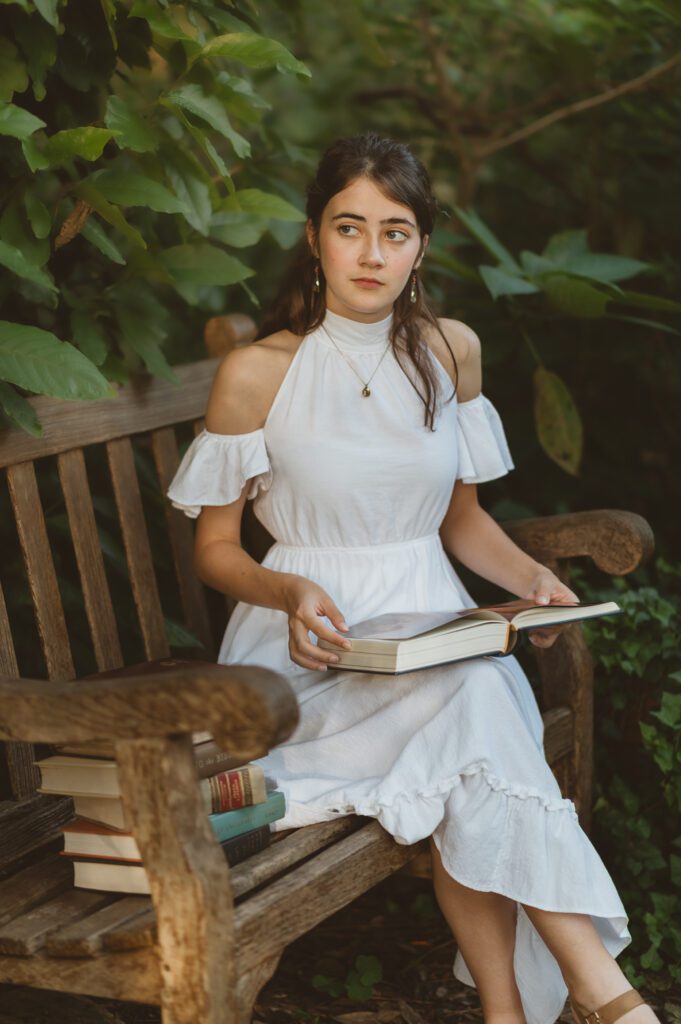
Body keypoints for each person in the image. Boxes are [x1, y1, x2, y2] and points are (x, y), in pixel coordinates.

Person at [167, 133, 657, 1024]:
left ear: (420, 246)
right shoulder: (257, 372)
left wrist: (534, 582)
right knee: (478, 708)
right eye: (348, 227)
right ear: (314, 236)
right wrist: (287, 592)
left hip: (426, 630)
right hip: (302, 657)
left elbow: (460, 522)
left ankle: (514, 1015)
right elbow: (216, 550)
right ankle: (609, 1000)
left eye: (393, 232)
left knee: (469, 709)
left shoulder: (449, 351)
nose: (370, 253)